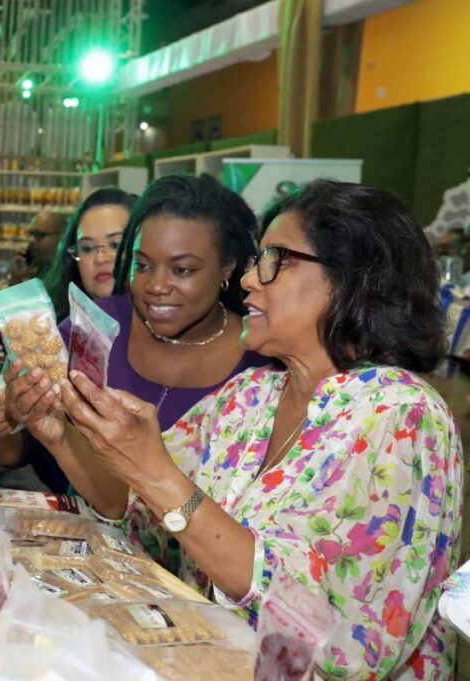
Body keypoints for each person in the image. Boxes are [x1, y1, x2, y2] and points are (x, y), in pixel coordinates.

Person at [59, 180, 461, 678]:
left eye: (274, 260)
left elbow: (346, 643)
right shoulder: (248, 396)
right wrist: (59, 431)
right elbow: (143, 525)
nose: (249, 279)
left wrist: (158, 475)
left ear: (352, 277)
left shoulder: (401, 415)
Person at [0, 175, 265, 498]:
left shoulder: (262, 357)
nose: (156, 285)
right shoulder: (96, 324)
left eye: (181, 270)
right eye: (142, 266)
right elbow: (15, 450)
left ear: (228, 266)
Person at [40, 187, 137, 320]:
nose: (100, 258)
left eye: (116, 245)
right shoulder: (56, 330)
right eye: (87, 248)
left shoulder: (162, 329)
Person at [7, 210, 65, 285]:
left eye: (39, 235)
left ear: (62, 236)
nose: (32, 240)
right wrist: (16, 278)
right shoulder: (36, 273)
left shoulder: (73, 275)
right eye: (31, 234)